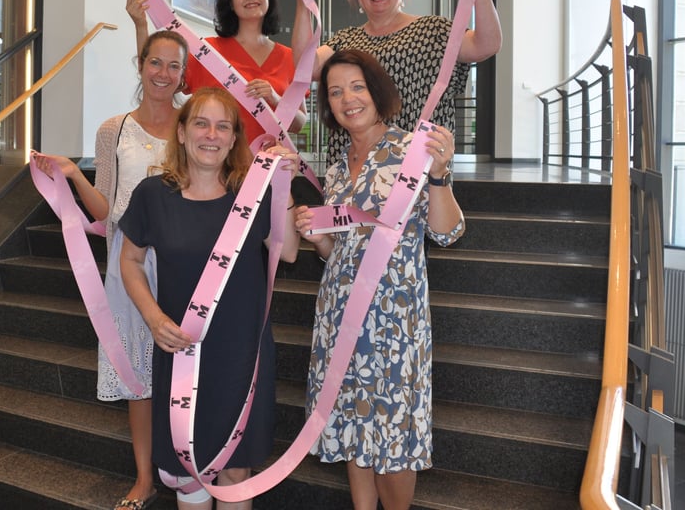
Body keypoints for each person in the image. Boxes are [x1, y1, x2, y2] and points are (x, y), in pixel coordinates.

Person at [292, 49, 465, 510]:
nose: (348, 99)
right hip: (339, 311)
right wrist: (315, 238)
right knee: (354, 421)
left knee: (392, 434)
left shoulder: (412, 150)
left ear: (376, 90)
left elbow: (447, 233)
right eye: (335, 92)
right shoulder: (335, 166)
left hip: (393, 317)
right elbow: (336, 251)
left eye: (356, 87)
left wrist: (441, 176)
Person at [118, 87, 301, 510]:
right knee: (186, 470)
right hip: (182, 351)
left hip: (241, 355)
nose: (211, 135)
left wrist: (284, 189)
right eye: (201, 123)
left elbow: (288, 250)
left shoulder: (251, 193)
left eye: (223, 126)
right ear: (181, 133)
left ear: (235, 137)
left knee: (236, 471)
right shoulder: (152, 194)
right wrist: (152, 316)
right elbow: (130, 260)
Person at [34, 29, 188, 510]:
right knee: (137, 373)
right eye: (155, 63)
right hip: (130, 259)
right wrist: (74, 174)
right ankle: (144, 477)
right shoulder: (112, 130)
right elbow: (104, 210)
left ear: (184, 73)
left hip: (185, 257)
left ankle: (189, 465)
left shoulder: (195, 124)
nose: (163, 74)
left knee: (187, 364)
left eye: (174, 66)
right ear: (140, 64)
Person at [289, 0, 502, 166]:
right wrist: (302, 2)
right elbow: (305, 66)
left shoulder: (435, 30)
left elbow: (487, 44)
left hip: (416, 166)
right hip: (353, 164)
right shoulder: (345, 39)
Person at [128, 0, 307, 147]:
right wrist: (141, 26)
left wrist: (275, 99)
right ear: (229, 2)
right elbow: (157, 82)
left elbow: (299, 124)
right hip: (210, 166)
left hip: (267, 170)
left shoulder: (290, 57)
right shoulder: (205, 50)